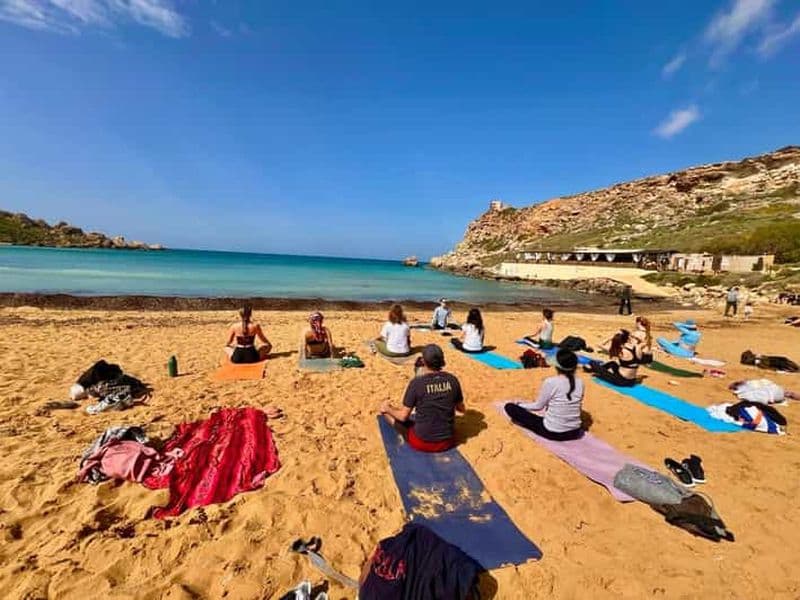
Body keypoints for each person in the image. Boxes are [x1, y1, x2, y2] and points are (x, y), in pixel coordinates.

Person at [380, 344, 465, 452]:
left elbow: (403, 417)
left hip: (422, 443)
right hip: (448, 442)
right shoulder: (453, 380)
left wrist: (387, 408)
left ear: (423, 361)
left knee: (388, 413)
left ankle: (386, 410)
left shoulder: (417, 383)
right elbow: (461, 409)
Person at [504, 348, 584, 441]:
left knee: (510, 407)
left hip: (553, 432)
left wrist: (519, 405)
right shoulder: (580, 382)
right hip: (575, 432)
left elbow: (538, 406)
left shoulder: (551, 382)